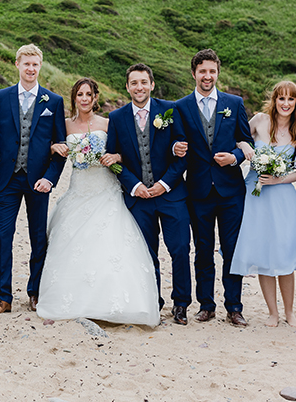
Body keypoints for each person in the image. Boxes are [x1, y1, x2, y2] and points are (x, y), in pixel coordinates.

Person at [40, 77, 161, 325]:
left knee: (110, 245)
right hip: (79, 190)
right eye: (79, 95)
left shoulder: (108, 123)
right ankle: (78, 302)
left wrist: (115, 155)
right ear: (74, 98)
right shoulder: (64, 125)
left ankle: (115, 305)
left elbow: (124, 152)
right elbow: (52, 151)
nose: (84, 99)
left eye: (88, 94)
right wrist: (54, 148)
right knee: (74, 245)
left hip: (106, 190)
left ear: (95, 98)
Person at [0, 44, 66, 314]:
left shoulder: (54, 102)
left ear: (40, 66)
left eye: (35, 64)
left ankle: (34, 293)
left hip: (39, 181)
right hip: (7, 180)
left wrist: (50, 178)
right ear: (17, 65)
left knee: (38, 238)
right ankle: (4, 297)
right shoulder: (0, 98)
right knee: (3, 236)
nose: (31, 68)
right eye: (26, 64)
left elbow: (60, 147)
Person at [172, 49, 254, 327]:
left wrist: (236, 157)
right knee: (202, 249)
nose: (207, 76)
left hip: (231, 190)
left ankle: (234, 307)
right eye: (202, 71)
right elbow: (177, 143)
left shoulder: (235, 102)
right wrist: (175, 146)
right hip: (198, 191)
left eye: (212, 71)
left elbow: (245, 141)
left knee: (232, 249)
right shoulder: (181, 106)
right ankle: (206, 304)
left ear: (218, 73)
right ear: (193, 73)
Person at [103, 65, 191, 323]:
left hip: (171, 195)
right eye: (134, 83)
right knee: (146, 253)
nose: (139, 87)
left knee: (180, 249)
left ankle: (181, 303)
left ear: (152, 84)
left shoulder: (170, 110)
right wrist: (134, 186)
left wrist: (164, 184)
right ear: (127, 87)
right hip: (138, 199)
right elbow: (113, 159)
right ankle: (153, 300)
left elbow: (183, 154)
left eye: (144, 82)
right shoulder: (117, 118)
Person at [231, 81, 296, 327]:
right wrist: (245, 145)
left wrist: (277, 179)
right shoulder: (259, 120)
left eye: (290, 99)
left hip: (282, 195)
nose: (285, 103)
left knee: (284, 253)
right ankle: (272, 312)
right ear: (274, 100)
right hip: (256, 195)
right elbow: (237, 138)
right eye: (281, 98)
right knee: (263, 252)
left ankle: (290, 312)